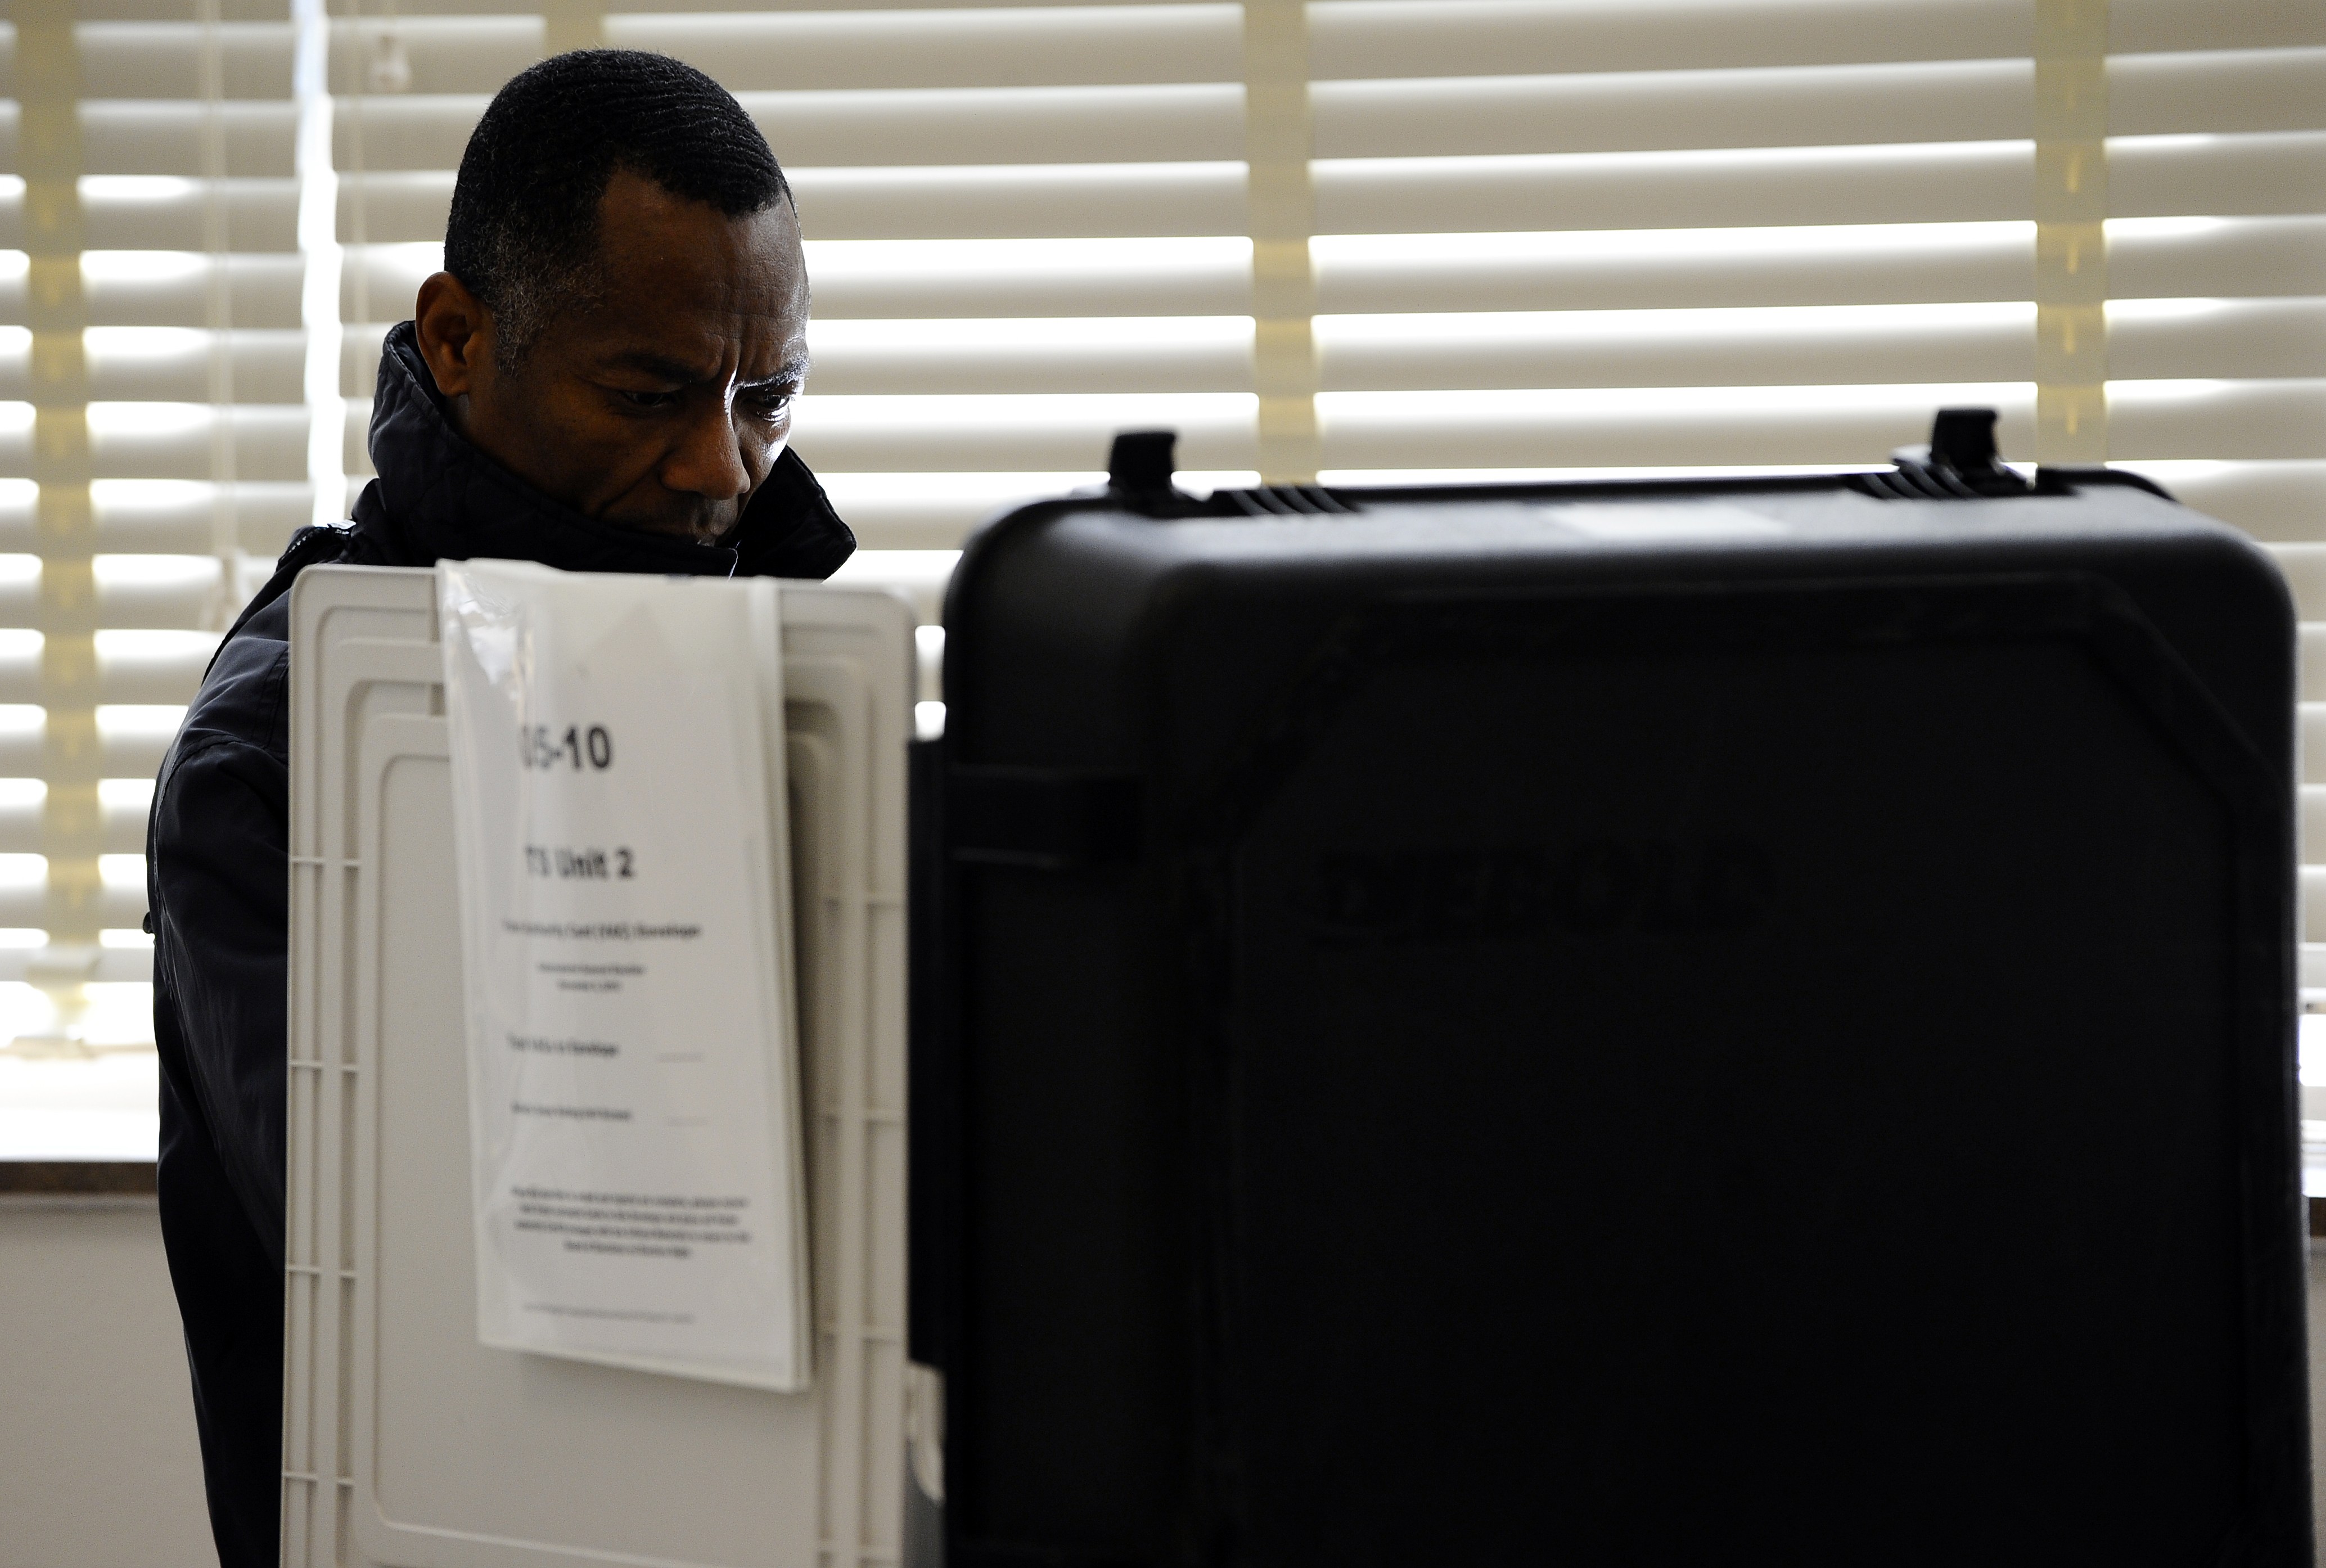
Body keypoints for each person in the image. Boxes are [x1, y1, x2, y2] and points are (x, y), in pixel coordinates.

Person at [143, 51, 853, 1567]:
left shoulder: (786, 690)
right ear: (460, 339)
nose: (723, 466)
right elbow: (409, 1281)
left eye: (767, 399)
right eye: (651, 395)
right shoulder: (279, 757)